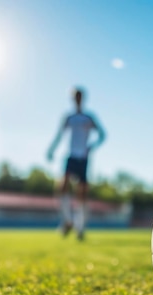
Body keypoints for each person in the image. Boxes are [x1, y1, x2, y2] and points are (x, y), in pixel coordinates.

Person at [47, 87, 106, 240]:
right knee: (63, 186)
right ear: (73, 99)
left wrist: (91, 146)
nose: (77, 99)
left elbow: (102, 134)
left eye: (79, 97)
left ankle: (80, 227)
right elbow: (59, 135)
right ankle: (67, 221)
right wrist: (51, 149)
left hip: (84, 158)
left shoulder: (89, 117)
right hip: (71, 156)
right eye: (75, 97)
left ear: (83, 98)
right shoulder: (69, 117)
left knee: (82, 193)